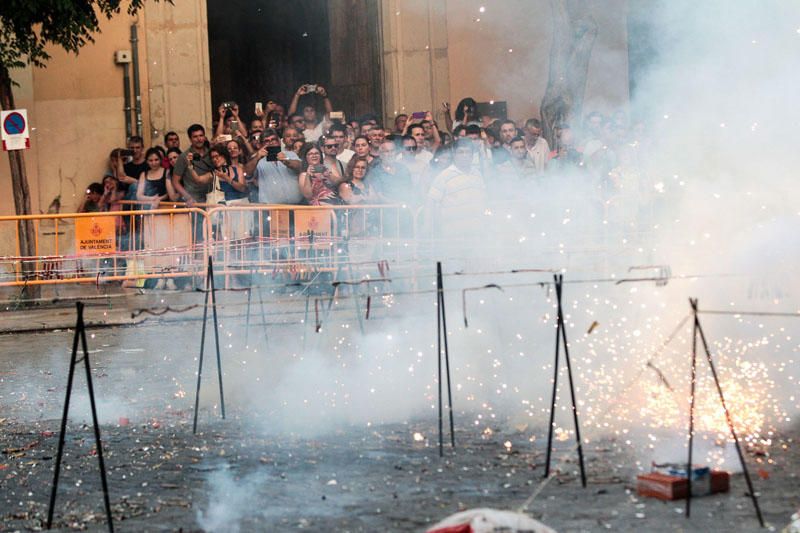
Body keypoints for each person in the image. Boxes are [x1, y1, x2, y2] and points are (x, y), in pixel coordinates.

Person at [425, 138, 487, 239]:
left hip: (476, 232)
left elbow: (484, 198)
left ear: (472, 155)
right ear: (454, 154)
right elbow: (431, 202)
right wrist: (428, 229)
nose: (464, 155)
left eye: (467, 152)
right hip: (452, 234)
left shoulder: (477, 174)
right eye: (460, 152)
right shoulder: (444, 176)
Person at [249, 129, 303, 205]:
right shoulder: (258, 160)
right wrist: (257, 157)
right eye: (266, 141)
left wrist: (286, 161)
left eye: (273, 139)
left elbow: (300, 166)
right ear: (261, 145)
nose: (271, 143)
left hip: (295, 206)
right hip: (270, 209)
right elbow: (246, 174)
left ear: (279, 141)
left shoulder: (290, 154)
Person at [172, 124, 214, 206]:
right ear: (190, 139)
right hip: (195, 201)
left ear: (205, 137)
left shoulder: (212, 153)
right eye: (195, 137)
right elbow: (175, 181)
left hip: (212, 199)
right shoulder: (184, 156)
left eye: (201, 135)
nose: (199, 139)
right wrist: (188, 197)